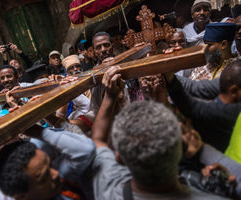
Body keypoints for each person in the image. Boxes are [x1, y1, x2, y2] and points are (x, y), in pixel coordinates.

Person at [91, 67, 227, 199]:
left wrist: (109, 96)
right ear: (183, 148)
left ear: (118, 157)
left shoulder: (109, 189)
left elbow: (97, 140)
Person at [0, 126, 95, 200]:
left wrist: (34, 128)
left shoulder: (48, 175)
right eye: (44, 178)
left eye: (50, 165)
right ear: (21, 196)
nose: (56, 174)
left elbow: (86, 150)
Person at [165, 59, 241, 152]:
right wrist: (167, 73)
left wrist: (170, 78)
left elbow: (193, 108)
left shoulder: (230, 112)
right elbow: (194, 87)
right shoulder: (230, 82)